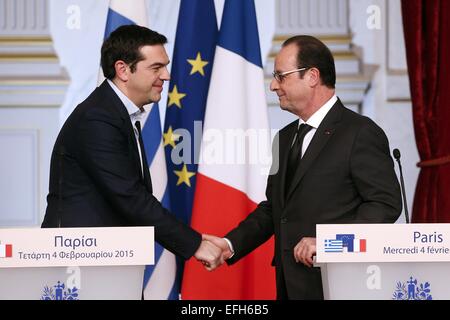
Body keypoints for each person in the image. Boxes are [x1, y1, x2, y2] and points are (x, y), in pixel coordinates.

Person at [203, 35, 402, 299]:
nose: (273, 85)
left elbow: (385, 205)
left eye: (280, 76)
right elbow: (274, 209)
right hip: (288, 286)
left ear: (312, 76)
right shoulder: (283, 138)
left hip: (338, 284)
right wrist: (230, 244)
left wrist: (330, 244)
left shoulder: (360, 132)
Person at [42, 25, 222, 269]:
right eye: (156, 67)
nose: (167, 75)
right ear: (123, 70)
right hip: (81, 262)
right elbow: (130, 197)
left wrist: (194, 240)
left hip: (106, 258)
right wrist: (194, 244)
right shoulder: (98, 117)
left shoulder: (117, 113)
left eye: (165, 66)